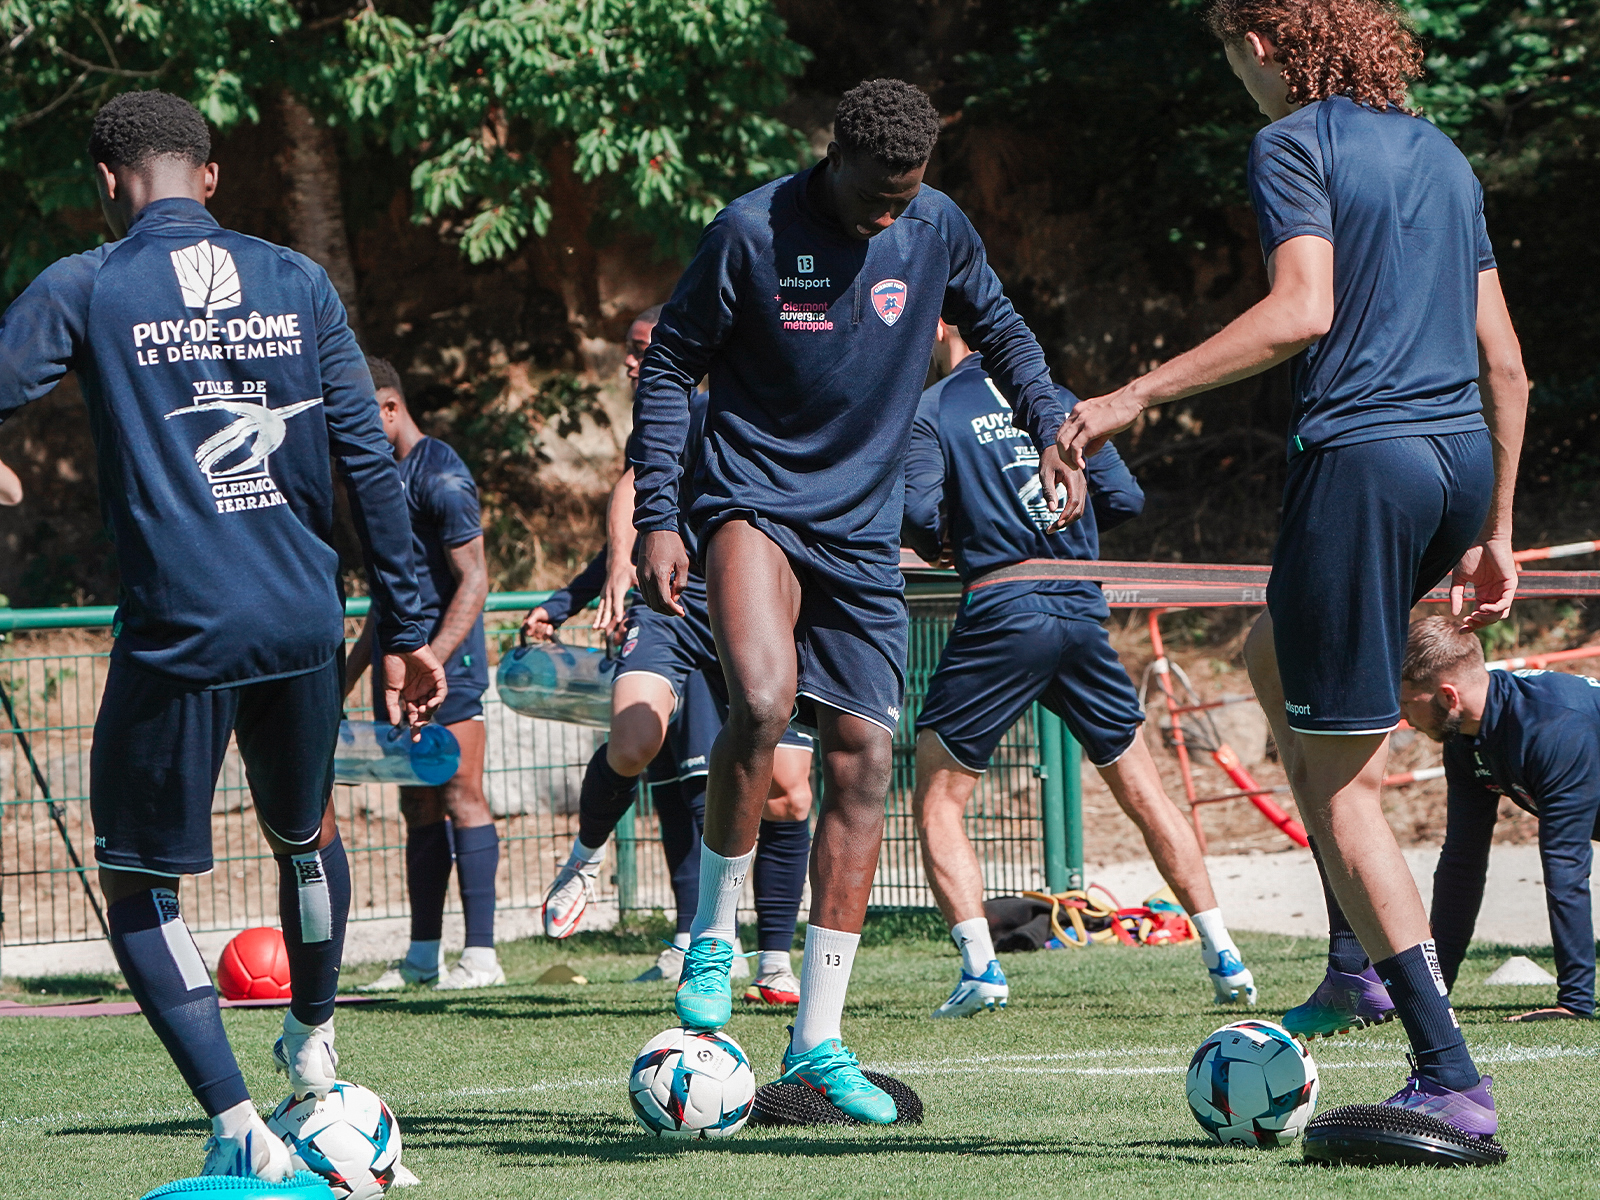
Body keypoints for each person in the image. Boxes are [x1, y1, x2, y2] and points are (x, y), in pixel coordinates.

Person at [1059, 2, 1528, 1141]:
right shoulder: (1441, 151)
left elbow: (1300, 309)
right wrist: (1496, 529)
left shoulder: (1291, 142)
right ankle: (1352, 959)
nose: (1235, 75)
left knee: (1342, 782)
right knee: (1273, 649)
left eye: (1229, 52)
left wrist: (1136, 393)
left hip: (1361, 465)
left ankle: (1445, 1070)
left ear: (1261, 45)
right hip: (1456, 459)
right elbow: (1505, 365)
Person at [0, 92, 444, 1180]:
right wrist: (409, 623)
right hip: (303, 616)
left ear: (107, 182)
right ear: (211, 176)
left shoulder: (89, 283)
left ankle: (241, 1126)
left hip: (180, 628)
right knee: (307, 834)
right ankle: (313, 1040)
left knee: (139, 887)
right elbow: (366, 462)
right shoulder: (298, 281)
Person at [631, 78, 1084, 1123]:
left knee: (865, 757)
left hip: (861, 527)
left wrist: (1052, 418)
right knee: (760, 695)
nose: (891, 215)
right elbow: (669, 369)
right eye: (875, 196)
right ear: (833, 154)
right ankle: (713, 935)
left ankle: (820, 1041)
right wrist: (661, 511)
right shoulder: (750, 230)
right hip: (751, 499)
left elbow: (1002, 328)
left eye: (907, 196)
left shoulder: (935, 224)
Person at [906, 320, 1257, 1018]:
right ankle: (1225, 955)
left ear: (941, 324)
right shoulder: (1060, 400)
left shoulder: (932, 410)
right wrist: (1061, 523)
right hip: (1081, 610)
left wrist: (964, 530)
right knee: (1146, 793)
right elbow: (1123, 499)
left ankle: (981, 970)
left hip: (1004, 610)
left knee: (937, 798)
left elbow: (918, 517)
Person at [525, 304, 814, 1003]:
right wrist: (602, 580)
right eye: (629, 349)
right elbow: (633, 495)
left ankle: (774, 960)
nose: (633, 361)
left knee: (788, 791)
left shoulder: (770, 412)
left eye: (642, 348)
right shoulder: (673, 412)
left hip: (757, 607)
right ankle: (587, 858)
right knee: (634, 738)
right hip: (675, 608)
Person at [1291, 617, 1600, 1031]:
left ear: (1448, 695)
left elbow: (1566, 867)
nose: (1400, 718)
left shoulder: (1553, 729)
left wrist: (1574, 1001)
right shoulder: (1467, 736)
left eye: (1405, 703)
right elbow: (1461, 864)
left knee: (1560, 865)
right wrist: (1435, 993)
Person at [347, 357, 500, 991]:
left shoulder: (440, 476)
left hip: (449, 667)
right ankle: (422, 955)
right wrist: (349, 672)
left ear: (389, 408)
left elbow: (476, 580)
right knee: (417, 804)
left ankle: (482, 957)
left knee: (462, 794)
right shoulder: (381, 477)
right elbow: (389, 601)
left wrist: (429, 659)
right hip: (406, 670)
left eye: (360, 413)